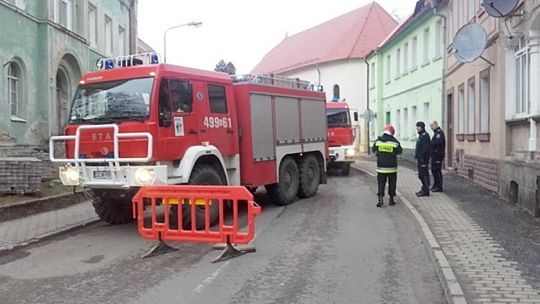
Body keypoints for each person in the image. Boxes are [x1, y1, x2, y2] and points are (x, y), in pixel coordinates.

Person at [372, 125, 402, 208]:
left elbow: (373, 149)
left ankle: (380, 199)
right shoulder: (394, 141)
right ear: (392, 132)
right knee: (392, 182)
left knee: (381, 182)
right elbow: (399, 151)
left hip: (381, 166)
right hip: (392, 167)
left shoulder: (378, 141)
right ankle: (391, 200)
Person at [415, 121, 431, 197]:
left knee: (423, 175)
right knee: (421, 175)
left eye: (418, 127)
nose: (417, 129)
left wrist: (422, 158)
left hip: (423, 159)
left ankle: (426, 190)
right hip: (420, 159)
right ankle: (424, 188)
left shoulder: (425, 136)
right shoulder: (421, 135)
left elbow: (425, 149)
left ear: (421, 127)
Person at [430, 121, 446, 192]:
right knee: (433, 170)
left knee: (437, 170)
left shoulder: (439, 133)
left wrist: (431, 143)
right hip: (434, 155)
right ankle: (435, 184)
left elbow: (437, 142)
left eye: (432, 126)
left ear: (436, 125)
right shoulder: (436, 133)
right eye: (430, 126)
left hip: (438, 155)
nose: (431, 128)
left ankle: (439, 186)